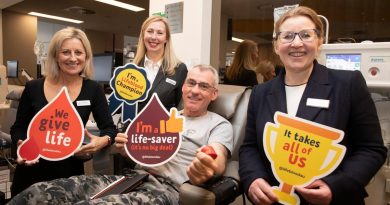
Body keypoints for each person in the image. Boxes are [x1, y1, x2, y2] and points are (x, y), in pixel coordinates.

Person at [8, 64, 233, 205]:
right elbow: (134, 153)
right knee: (43, 192)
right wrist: (127, 149)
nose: (194, 90)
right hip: (131, 177)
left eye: (203, 86)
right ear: (183, 87)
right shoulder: (161, 118)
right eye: (191, 83)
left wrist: (207, 165)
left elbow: (218, 158)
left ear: (214, 94)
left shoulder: (219, 124)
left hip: (168, 189)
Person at [239, 6, 387, 205]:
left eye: (306, 35)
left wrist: (335, 186)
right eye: (288, 36)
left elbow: (372, 149)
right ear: (276, 45)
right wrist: (253, 179)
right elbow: (249, 147)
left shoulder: (348, 84)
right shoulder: (260, 92)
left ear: (319, 43)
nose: (297, 43)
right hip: (275, 199)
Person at [10, 27, 117, 197]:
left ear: (86, 57)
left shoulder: (93, 89)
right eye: (66, 52)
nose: (73, 58)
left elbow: (110, 129)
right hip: (31, 174)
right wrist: (21, 144)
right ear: (55, 56)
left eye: (78, 52)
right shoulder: (33, 87)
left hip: (69, 178)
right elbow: (18, 128)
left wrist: (102, 141)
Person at [133, 15, 187, 112]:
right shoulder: (132, 68)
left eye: (160, 33)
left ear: (166, 38)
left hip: (162, 126)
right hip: (132, 126)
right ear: (143, 35)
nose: (154, 37)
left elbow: (181, 107)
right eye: (150, 31)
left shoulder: (179, 69)